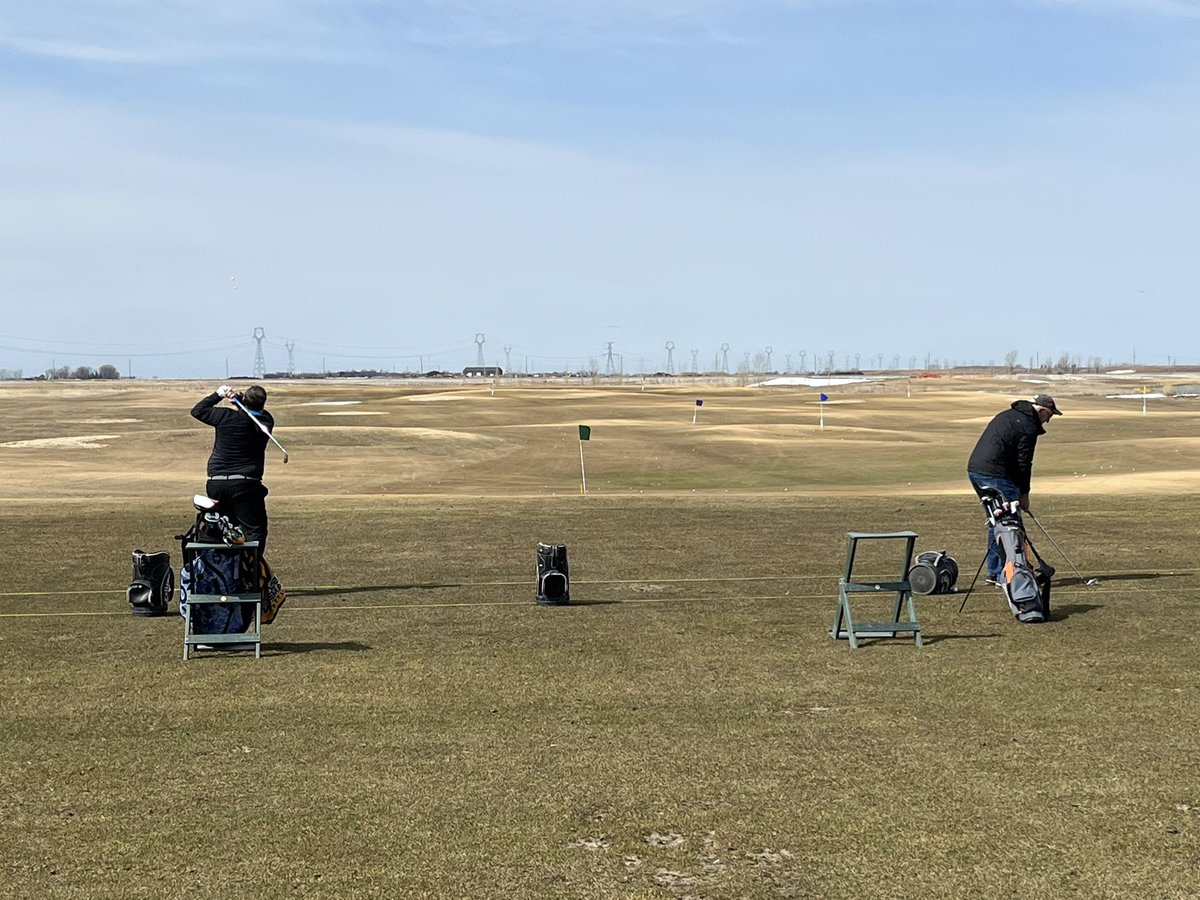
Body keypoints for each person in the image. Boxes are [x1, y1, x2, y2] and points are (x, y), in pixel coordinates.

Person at [967, 393, 1062, 586]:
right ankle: (1012, 573)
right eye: (1050, 415)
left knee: (998, 520)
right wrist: (1024, 494)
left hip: (976, 470)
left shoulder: (1009, 414)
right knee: (1011, 524)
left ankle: (996, 573)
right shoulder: (1028, 426)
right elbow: (1024, 463)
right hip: (995, 474)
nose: (1049, 420)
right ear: (1042, 410)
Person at [191, 384, 274, 553]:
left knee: (221, 530)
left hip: (217, 484)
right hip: (246, 486)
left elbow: (198, 410)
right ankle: (252, 573)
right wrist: (238, 401)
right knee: (254, 531)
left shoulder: (225, 416)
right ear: (263, 403)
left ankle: (223, 571)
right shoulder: (265, 422)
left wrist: (219, 394)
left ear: (244, 400)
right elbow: (251, 413)